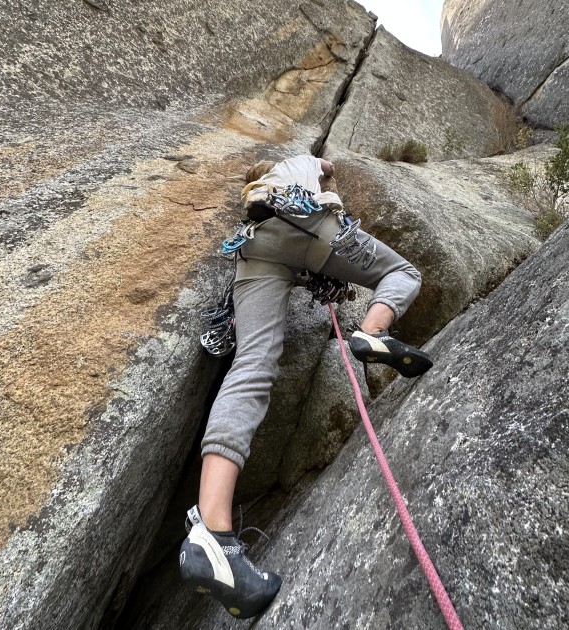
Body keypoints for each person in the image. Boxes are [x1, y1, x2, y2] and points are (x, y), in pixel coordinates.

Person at [179, 155, 432, 619]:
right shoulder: (297, 162)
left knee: (251, 367)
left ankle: (211, 532)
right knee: (402, 274)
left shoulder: (253, 199)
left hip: (255, 248)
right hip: (309, 224)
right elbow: (329, 163)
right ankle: (374, 330)